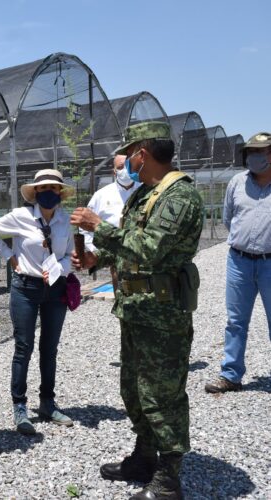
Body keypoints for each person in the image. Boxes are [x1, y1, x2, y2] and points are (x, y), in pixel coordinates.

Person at [71, 121, 203, 500]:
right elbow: (130, 245)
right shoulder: (147, 193)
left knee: (163, 395)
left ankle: (167, 480)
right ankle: (144, 457)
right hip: (135, 310)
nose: (127, 161)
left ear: (142, 154)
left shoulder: (179, 196)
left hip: (163, 314)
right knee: (134, 389)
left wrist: (99, 227)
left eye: (130, 154)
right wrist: (97, 256)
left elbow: (151, 249)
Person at [0, 169, 75, 435]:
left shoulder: (63, 220)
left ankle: (47, 402)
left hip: (55, 289)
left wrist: (60, 267)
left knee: (50, 348)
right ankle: (20, 406)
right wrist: (9, 253)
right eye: (43, 188)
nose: (48, 193)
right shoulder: (20, 217)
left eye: (54, 188)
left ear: (60, 193)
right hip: (26, 287)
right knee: (24, 347)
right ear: (35, 193)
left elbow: (69, 254)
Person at [205, 132, 271, 394]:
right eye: (252, 152)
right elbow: (228, 219)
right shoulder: (236, 182)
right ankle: (230, 375)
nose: (255, 157)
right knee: (235, 321)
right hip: (239, 261)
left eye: (262, 152)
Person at [80, 154, 141, 253]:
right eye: (120, 167)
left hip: (139, 256)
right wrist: (96, 252)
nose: (125, 170)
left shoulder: (145, 190)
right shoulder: (101, 195)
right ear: (114, 172)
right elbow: (84, 226)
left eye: (127, 165)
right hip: (109, 258)